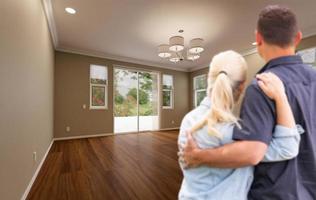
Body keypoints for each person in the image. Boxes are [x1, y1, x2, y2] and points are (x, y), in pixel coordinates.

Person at [180, 5, 316, 200]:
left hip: (273, 193)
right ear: (298, 37)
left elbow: (252, 152)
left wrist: (199, 156)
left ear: (258, 38)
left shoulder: (262, 85)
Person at [177, 50, 303, 200]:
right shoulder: (234, 131)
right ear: (242, 86)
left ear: (208, 79)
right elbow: (287, 147)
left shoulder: (189, 119)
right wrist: (281, 97)